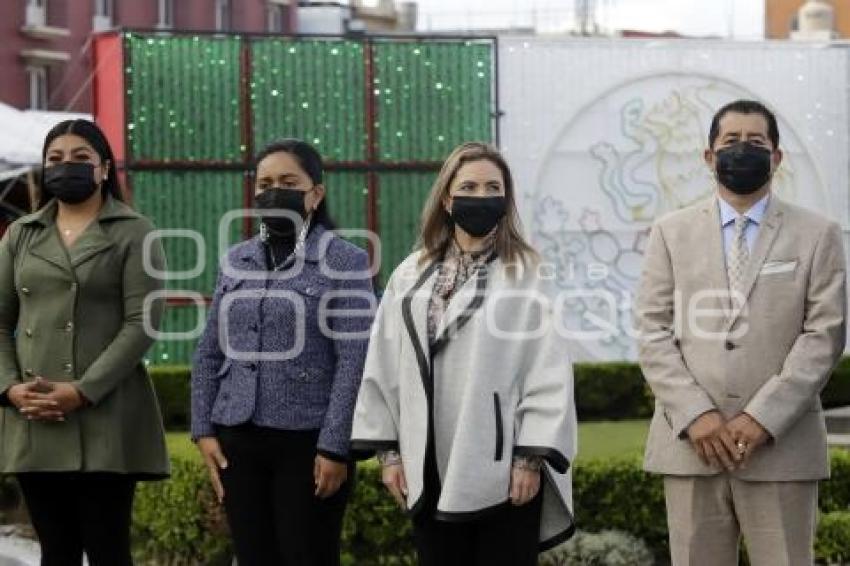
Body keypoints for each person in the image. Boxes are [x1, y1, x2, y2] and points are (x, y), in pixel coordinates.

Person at [636, 99, 847, 565]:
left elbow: (824, 335)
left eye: (756, 142)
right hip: (692, 447)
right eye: (730, 142)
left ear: (776, 157)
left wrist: (762, 418)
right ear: (708, 156)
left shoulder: (818, 233)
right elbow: (652, 330)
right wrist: (696, 415)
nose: (742, 151)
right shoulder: (670, 232)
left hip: (782, 447)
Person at [351, 142, 576, 566]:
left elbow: (547, 369)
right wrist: (391, 455)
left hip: (502, 466)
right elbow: (383, 359)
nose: (480, 195)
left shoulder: (526, 270)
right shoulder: (411, 270)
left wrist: (529, 458)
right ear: (447, 197)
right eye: (468, 186)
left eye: (493, 187)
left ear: (506, 199)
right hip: (427, 462)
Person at [191, 139, 374, 566]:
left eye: (289, 182)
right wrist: (203, 429)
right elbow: (209, 352)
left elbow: (355, 359)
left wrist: (335, 448)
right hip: (238, 436)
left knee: (306, 554)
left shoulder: (345, 261)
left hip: (307, 444)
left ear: (316, 192)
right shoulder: (236, 259)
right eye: (266, 183)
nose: (275, 191)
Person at [0, 119, 170, 566]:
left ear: (103, 168)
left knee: (109, 550)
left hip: (106, 414)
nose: (66, 167)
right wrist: (10, 389)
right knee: (55, 551)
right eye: (55, 159)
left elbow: (143, 321)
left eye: (80, 159)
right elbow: (0, 322)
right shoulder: (21, 234)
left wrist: (83, 391)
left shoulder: (134, 230)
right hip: (35, 413)